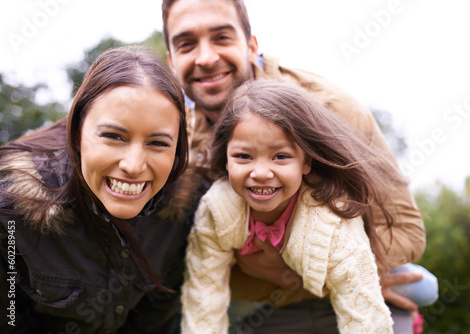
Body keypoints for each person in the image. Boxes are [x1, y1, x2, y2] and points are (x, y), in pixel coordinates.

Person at [161, 0, 429, 332]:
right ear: (172, 61)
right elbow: (199, 265)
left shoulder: (329, 109)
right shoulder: (175, 140)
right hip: (267, 307)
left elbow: (407, 233)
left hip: (362, 283)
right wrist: (285, 277)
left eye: (222, 37)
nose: (206, 57)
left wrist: (340, 272)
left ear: (251, 45)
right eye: (187, 44)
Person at [0, 46, 203, 333]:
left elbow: (152, 323)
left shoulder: (178, 212)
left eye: (158, 143)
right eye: (113, 136)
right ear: (77, 131)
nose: (133, 165)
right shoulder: (10, 212)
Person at [181, 79, 403, 333]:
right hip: (270, 294)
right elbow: (204, 295)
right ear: (226, 159)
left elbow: (364, 317)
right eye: (244, 156)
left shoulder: (331, 221)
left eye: (281, 156)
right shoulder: (217, 209)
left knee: (422, 288)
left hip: (353, 267)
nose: (262, 173)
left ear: (305, 161)